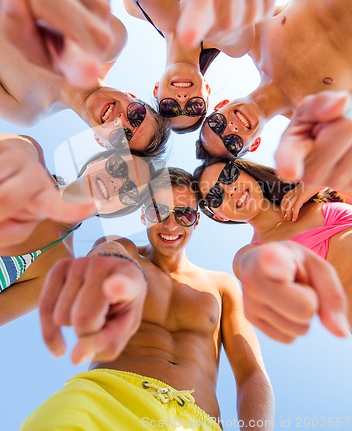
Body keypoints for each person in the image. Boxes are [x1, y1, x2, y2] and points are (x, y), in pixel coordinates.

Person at [22, 168, 274, 430]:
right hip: (104, 399)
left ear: (196, 221)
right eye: (158, 211)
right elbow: (108, 254)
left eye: (184, 214)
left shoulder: (222, 286)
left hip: (195, 420)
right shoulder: (128, 252)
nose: (170, 225)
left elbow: (251, 374)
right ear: (144, 216)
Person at [189, 0, 352, 190]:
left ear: (219, 105)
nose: (231, 126)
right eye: (232, 142)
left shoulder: (253, 39)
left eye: (217, 124)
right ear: (252, 144)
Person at [0, 0, 170, 156]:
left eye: (122, 137)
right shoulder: (108, 43)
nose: (120, 120)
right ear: (132, 96)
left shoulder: (25, 112)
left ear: (101, 142)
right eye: (136, 115)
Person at [115, 0, 276, 133]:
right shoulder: (232, 42)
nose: (182, 100)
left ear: (157, 90)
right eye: (195, 107)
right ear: (207, 90)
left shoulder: (133, 8)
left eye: (170, 108)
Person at [0, 133, 156, 325]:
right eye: (118, 167)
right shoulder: (29, 152)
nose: (117, 183)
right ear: (96, 161)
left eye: (129, 191)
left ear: (118, 209)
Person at [193, 158, 351, 343]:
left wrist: (321, 179)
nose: (230, 190)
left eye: (229, 176)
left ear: (246, 172)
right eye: (215, 196)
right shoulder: (249, 253)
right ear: (219, 217)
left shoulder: (319, 194)